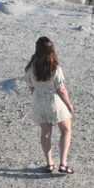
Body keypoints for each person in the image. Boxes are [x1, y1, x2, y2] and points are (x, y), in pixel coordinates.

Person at [21, 35, 74, 175]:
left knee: (46, 133)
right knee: (66, 130)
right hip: (54, 101)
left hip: (38, 101)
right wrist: (69, 104)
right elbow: (61, 89)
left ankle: (50, 163)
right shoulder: (55, 67)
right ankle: (63, 163)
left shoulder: (30, 67)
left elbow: (31, 87)